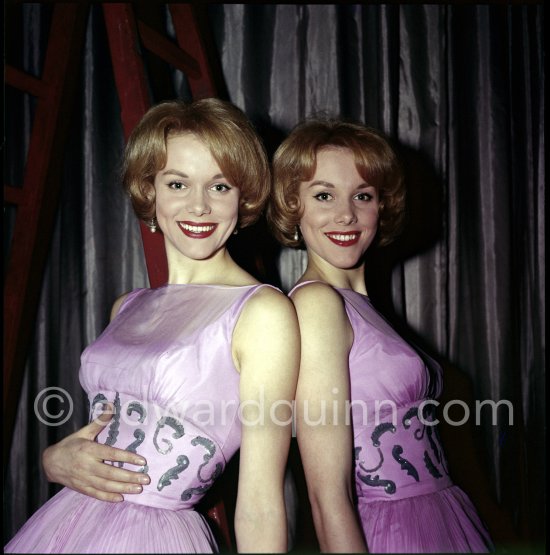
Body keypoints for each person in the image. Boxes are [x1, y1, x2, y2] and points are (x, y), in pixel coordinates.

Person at [5, 98, 300, 553]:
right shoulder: (128, 305)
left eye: (219, 187)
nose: (198, 206)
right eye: (178, 183)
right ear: (151, 191)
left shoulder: (262, 311)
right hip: (65, 522)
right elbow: (103, 436)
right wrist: (54, 460)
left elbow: (260, 500)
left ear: (243, 197)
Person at [268, 117, 494, 553]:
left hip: (442, 516)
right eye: (323, 195)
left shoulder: (363, 306)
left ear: (382, 206)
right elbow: (326, 495)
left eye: (363, 195)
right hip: (391, 531)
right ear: (293, 206)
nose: (346, 214)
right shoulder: (317, 305)